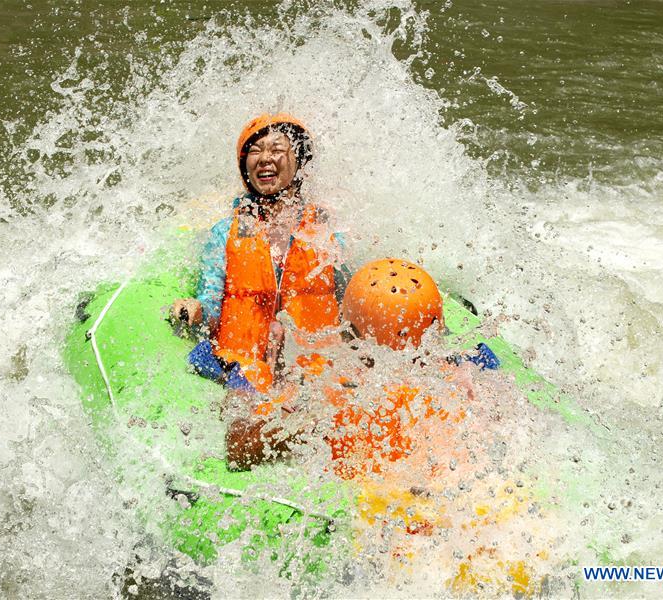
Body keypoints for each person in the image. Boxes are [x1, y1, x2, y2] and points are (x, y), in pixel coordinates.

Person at [225, 258, 497, 472]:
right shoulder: (458, 380)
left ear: (346, 331)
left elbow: (238, 448)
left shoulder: (332, 396)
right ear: (437, 326)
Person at [171, 114, 349, 393]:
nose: (265, 158)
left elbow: (348, 304)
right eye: (255, 151)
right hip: (243, 364)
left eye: (277, 150)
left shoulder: (325, 233)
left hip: (315, 366)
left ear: (299, 162)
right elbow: (211, 303)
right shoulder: (224, 232)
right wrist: (196, 310)